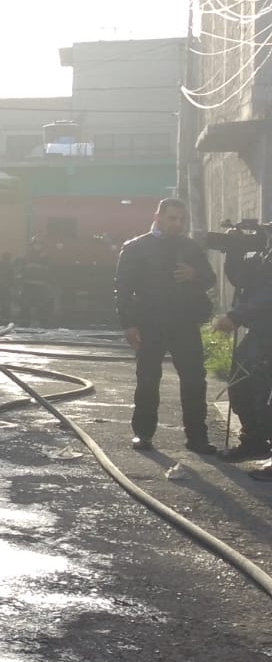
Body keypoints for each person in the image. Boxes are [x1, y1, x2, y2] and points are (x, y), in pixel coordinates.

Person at [114, 197, 216, 453]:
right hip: (150, 322)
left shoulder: (189, 247)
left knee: (194, 380)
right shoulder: (136, 247)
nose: (177, 224)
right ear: (158, 216)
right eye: (172, 218)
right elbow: (123, 290)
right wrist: (129, 325)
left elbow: (210, 278)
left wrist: (195, 275)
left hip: (184, 322)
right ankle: (143, 434)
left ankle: (197, 437)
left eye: (181, 219)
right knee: (148, 379)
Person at [213, 237, 272, 463]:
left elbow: (267, 295)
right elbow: (241, 279)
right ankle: (253, 441)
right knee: (240, 385)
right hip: (259, 334)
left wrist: (237, 316)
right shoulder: (264, 255)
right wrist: (234, 252)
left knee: (266, 395)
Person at [16, 242, 53, 327]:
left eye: (39, 244)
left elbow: (49, 270)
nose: (37, 246)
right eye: (36, 244)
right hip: (28, 285)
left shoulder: (45, 257)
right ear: (32, 246)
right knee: (25, 306)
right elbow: (22, 268)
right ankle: (24, 325)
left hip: (41, 286)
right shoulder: (28, 256)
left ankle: (42, 324)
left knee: (42, 306)